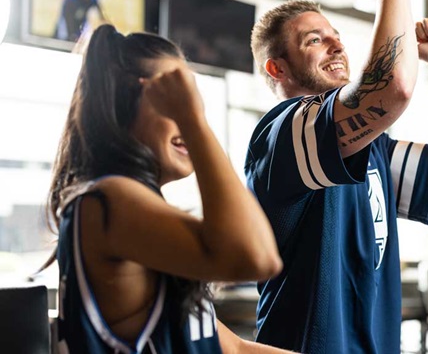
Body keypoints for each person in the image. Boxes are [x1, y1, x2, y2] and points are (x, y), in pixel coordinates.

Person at [245, 0, 428, 352]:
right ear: (278, 69)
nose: (336, 47)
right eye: (315, 41)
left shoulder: (368, 147)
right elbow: (392, 87)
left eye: (337, 39)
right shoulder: (281, 136)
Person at [45, 24, 293, 353]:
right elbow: (257, 256)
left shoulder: (133, 206)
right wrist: (193, 122)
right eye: (174, 101)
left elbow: (230, 348)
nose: (188, 113)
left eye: (187, 103)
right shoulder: (109, 200)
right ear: (123, 104)